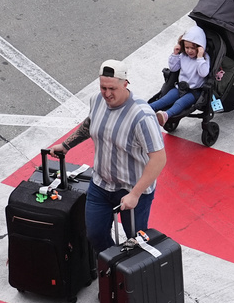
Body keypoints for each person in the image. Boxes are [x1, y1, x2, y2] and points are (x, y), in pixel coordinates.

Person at [51, 60, 166, 253]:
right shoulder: (97, 100)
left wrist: (135, 194)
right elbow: (90, 124)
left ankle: (130, 274)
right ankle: (113, 267)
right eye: (103, 87)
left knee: (136, 242)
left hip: (132, 189)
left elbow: (159, 158)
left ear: (125, 84)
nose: (107, 94)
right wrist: (66, 145)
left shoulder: (142, 116)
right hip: (101, 186)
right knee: (94, 234)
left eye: (112, 88)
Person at [151, 25, 210, 126]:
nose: (189, 51)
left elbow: (203, 73)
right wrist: (175, 54)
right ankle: (146, 108)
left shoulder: (204, 58)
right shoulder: (183, 56)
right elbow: (174, 68)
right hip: (180, 87)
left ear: (200, 48)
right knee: (165, 99)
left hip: (194, 92)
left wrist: (200, 57)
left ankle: (166, 115)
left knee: (180, 103)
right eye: (187, 47)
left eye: (193, 48)